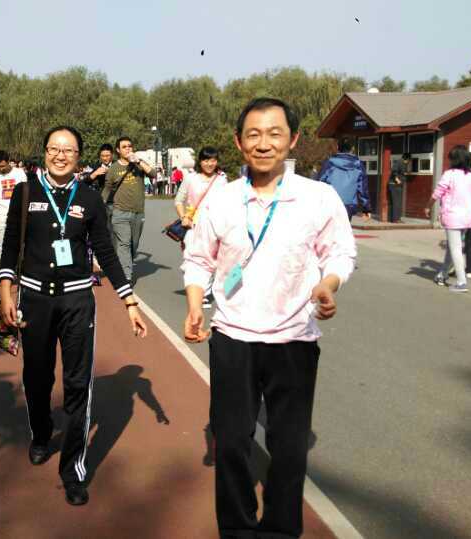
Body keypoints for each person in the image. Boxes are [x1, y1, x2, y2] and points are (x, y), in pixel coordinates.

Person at [182, 97, 357, 538]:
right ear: (239, 142)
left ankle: (281, 529)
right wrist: (194, 305)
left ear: (292, 139)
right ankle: (237, 529)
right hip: (233, 338)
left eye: (274, 133)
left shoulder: (318, 198)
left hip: (294, 340)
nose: (264, 144)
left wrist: (328, 284)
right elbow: (198, 259)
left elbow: (340, 252)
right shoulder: (222, 200)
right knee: (231, 443)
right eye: (254, 134)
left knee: (290, 448)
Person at [0, 125, 148, 507]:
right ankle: (41, 432)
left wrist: (129, 301)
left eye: (68, 150)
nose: (60, 155)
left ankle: (73, 470)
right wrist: (6, 291)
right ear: (45, 151)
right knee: (37, 377)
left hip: (77, 302)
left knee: (78, 384)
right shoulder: (26, 192)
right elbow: (11, 243)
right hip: (34, 299)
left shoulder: (89, 197)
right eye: (54, 148)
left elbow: (106, 252)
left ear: (79, 156)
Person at [174, 146, 228, 308]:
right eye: (206, 160)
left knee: (211, 260)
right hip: (193, 225)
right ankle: (196, 285)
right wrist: (183, 217)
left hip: (215, 225)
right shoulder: (191, 178)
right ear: (200, 161)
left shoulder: (222, 179)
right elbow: (178, 200)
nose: (210, 164)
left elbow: (227, 203)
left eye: (213, 160)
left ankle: (204, 293)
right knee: (191, 260)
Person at [424, 146, 471, 292]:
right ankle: (442, 275)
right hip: (468, 217)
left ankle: (461, 282)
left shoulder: (449, 174)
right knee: (452, 247)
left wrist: (428, 207)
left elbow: (437, 193)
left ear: (455, 160)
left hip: (452, 216)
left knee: (455, 249)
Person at [102, 137, 156, 284]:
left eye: (130, 146)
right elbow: (107, 190)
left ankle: (125, 265)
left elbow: (153, 174)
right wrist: (100, 208)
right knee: (124, 244)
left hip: (138, 212)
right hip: (120, 212)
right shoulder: (113, 169)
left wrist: (138, 161)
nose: (128, 149)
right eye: (124, 147)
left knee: (134, 244)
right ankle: (126, 277)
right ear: (118, 150)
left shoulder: (139, 164)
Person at [0, 150, 28, 260]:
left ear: (8, 161)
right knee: (3, 246)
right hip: (1, 215)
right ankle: (3, 269)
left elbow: (26, 193)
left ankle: (19, 267)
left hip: (18, 215)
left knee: (21, 244)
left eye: (3, 166)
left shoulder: (19, 173)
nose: (1, 169)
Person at [316, 138, 372, 221]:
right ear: (352, 149)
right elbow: (363, 189)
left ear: (338, 147)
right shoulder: (358, 165)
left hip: (330, 204)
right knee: (344, 227)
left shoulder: (329, 163)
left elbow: (319, 183)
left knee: (330, 228)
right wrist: (366, 208)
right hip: (348, 205)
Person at [388, 152, 411, 223]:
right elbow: (394, 171)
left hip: (396, 185)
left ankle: (394, 218)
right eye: (409, 160)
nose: (409, 162)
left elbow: (400, 172)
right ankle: (395, 219)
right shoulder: (399, 162)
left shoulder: (402, 163)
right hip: (395, 185)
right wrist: (397, 180)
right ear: (407, 159)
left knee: (396, 202)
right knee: (396, 202)